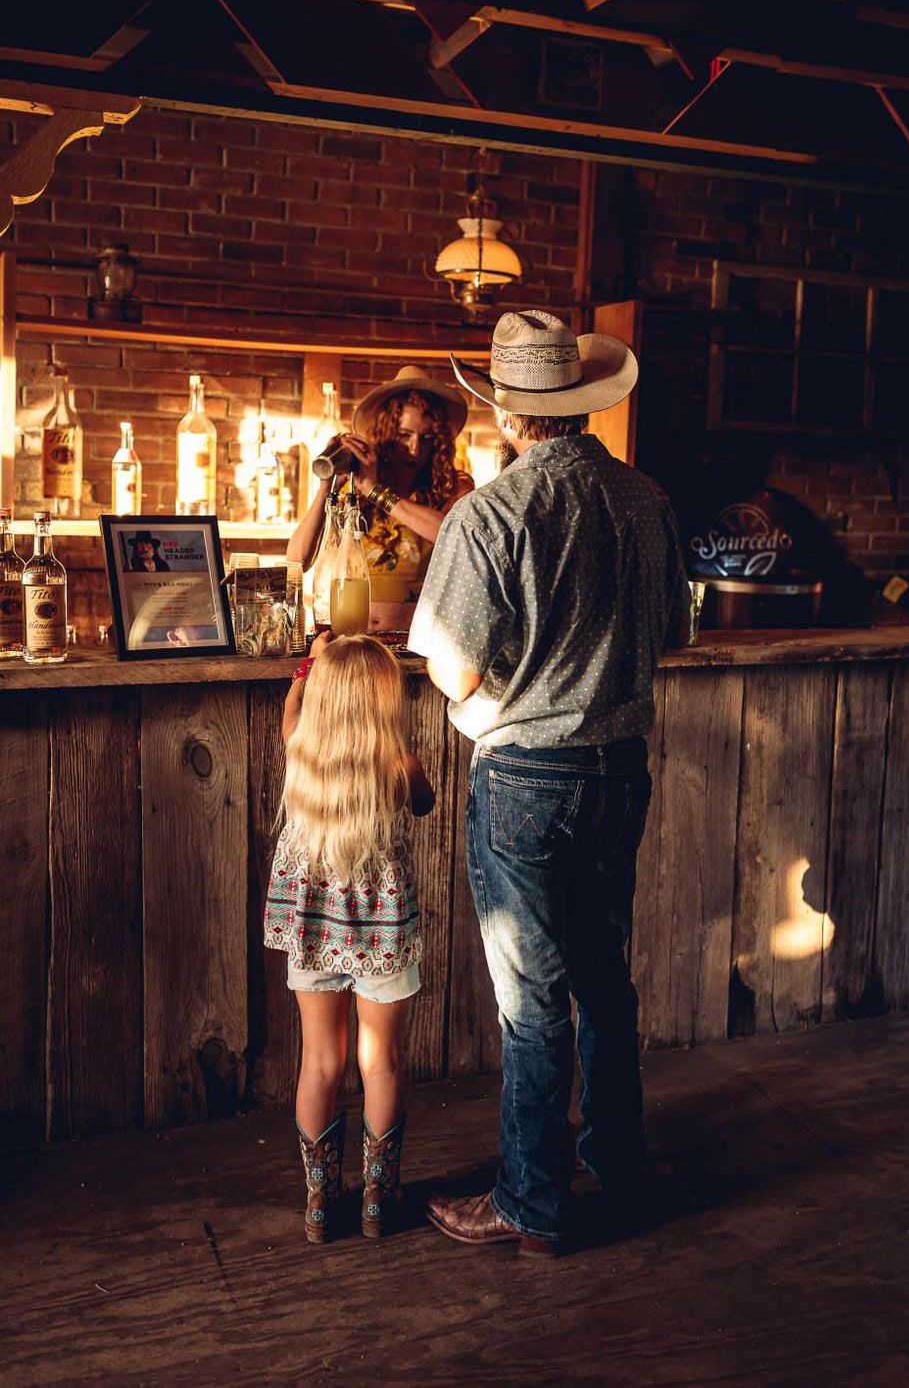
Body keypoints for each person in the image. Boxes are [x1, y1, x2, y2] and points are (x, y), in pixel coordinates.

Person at [407, 310, 690, 1258]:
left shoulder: (488, 515)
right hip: (620, 767)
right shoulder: (646, 499)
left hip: (527, 774)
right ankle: (620, 1161)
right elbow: (671, 638)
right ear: (580, 403)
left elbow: (451, 672)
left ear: (505, 413)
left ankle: (532, 1202)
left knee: (531, 1001)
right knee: (606, 978)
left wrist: (511, 689)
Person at [263, 633, 435, 1242]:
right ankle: (376, 1203)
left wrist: (305, 669)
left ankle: (318, 1201)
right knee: (379, 1061)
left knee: (320, 1061)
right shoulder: (398, 766)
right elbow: (424, 803)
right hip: (382, 932)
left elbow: (291, 714)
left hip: (312, 929)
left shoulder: (299, 750)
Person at [287, 366, 474, 631]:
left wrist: (376, 491)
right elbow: (297, 561)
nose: (414, 449)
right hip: (351, 643)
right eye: (404, 435)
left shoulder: (453, 487)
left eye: (426, 438)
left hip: (417, 644)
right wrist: (325, 487)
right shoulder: (354, 489)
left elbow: (451, 532)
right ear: (386, 431)